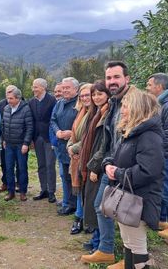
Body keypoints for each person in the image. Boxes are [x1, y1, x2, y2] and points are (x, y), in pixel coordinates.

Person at [81, 61, 136, 265]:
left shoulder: (135, 101)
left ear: (127, 79)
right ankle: (106, 249)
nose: (112, 81)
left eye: (116, 77)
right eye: (109, 78)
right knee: (102, 206)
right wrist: (104, 163)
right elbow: (109, 137)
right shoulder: (113, 103)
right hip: (110, 165)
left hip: (127, 168)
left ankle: (132, 256)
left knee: (126, 212)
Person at [102, 90, 164, 269]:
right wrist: (108, 164)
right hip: (128, 197)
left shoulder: (149, 136)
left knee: (137, 247)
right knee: (129, 243)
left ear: (138, 108)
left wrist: (119, 174)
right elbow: (116, 155)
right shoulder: (132, 132)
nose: (123, 110)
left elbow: (148, 171)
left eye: (126, 105)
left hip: (139, 199)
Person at [146, 73, 168, 240]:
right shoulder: (162, 102)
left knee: (165, 187)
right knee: (161, 186)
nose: (147, 88)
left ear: (159, 87)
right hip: (162, 153)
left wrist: (155, 148)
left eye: (149, 85)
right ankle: (162, 220)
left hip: (166, 154)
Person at [80, 80, 110, 254]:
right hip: (90, 161)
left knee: (98, 205)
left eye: (100, 94)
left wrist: (94, 167)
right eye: (94, 94)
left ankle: (101, 244)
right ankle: (96, 239)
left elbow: (104, 145)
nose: (96, 97)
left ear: (107, 95)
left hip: (98, 165)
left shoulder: (108, 114)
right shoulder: (96, 112)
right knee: (91, 202)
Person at [67, 83, 95, 235]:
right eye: (82, 95)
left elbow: (88, 138)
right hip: (77, 157)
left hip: (88, 157)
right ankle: (79, 217)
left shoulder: (94, 113)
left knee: (87, 191)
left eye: (87, 95)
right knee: (80, 190)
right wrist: (69, 146)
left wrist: (74, 148)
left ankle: (84, 219)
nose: (84, 98)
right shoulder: (81, 112)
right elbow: (74, 132)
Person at [50, 77, 79, 216]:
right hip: (61, 146)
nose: (65, 90)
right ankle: (67, 201)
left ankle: (73, 204)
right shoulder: (60, 103)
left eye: (68, 88)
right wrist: (58, 132)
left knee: (73, 176)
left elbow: (83, 124)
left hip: (74, 146)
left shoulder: (80, 104)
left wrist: (71, 133)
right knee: (64, 175)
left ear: (76, 89)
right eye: (63, 88)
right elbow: (53, 120)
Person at [1, 86, 33, 201]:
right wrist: (3, 139)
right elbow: (3, 125)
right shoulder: (6, 108)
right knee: (9, 168)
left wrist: (26, 143)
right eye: (8, 98)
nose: (9, 101)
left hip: (21, 145)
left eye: (11, 98)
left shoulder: (26, 109)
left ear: (18, 98)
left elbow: (29, 128)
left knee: (22, 168)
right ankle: (11, 191)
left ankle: (23, 192)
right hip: (9, 144)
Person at [29, 78, 57, 203]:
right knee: (41, 165)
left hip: (49, 137)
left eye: (35, 87)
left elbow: (54, 119)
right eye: (33, 87)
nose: (33, 89)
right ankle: (43, 190)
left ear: (43, 88)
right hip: (37, 137)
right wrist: (31, 139)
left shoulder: (52, 100)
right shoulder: (31, 102)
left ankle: (51, 192)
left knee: (50, 165)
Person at [0, 86, 20, 193]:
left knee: (19, 163)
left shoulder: (22, 103)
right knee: (5, 163)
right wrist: (2, 138)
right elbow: (0, 122)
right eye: (7, 92)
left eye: (11, 92)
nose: (8, 94)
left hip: (18, 139)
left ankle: (18, 183)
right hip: (4, 138)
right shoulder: (1, 104)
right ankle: (5, 182)